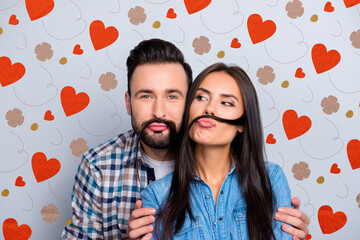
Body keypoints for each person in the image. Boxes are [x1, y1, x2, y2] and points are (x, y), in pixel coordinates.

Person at [61, 39, 309, 240]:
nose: (159, 111)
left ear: (189, 101)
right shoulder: (98, 167)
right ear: (128, 102)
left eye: (172, 96)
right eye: (145, 96)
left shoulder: (258, 174)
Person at [141, 63, 295, 239]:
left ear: (241, 124)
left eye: (226, 103)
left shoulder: (271, 179)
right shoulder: (156, 196)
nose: (209, 109)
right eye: (200, 98)